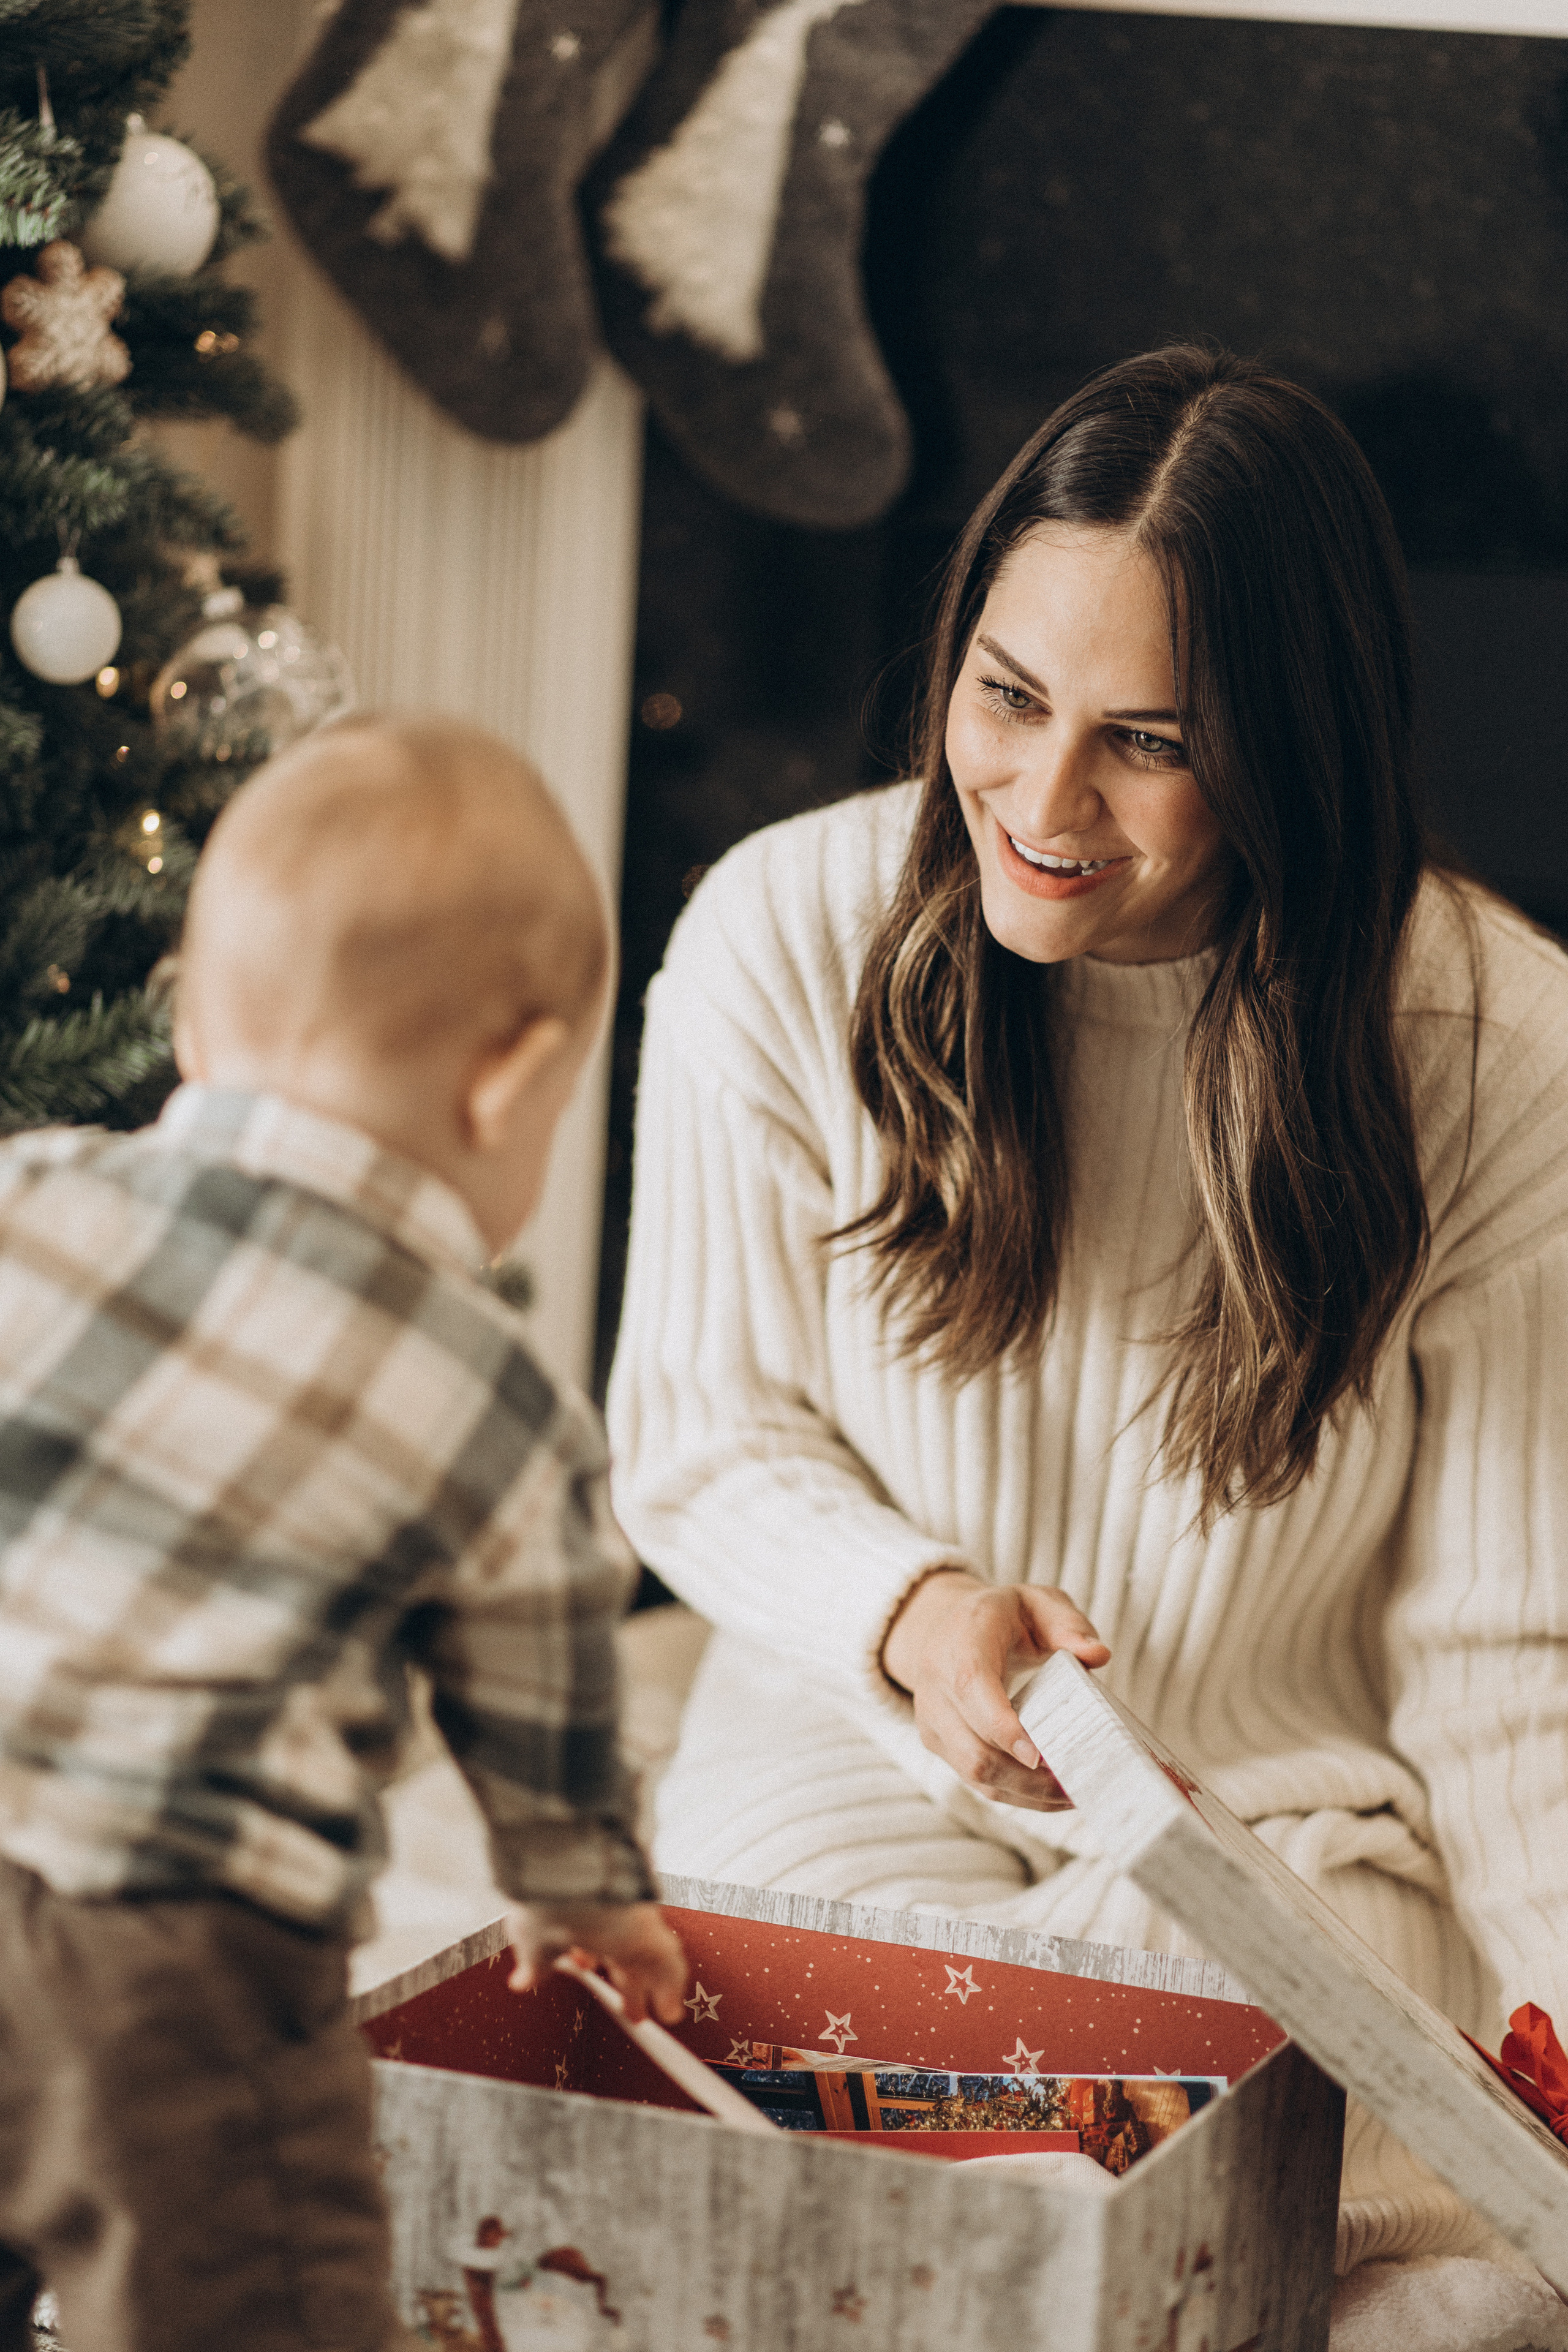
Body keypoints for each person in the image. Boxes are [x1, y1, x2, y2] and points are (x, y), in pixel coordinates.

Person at [606, 349, 1568, 2291]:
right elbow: (702, 1437)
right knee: (876, 2164)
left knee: (1221, 2189)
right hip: (851, 1750)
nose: (1043, 801)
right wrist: (916, 1610)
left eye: (1150, 739)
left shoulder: (1499, 1047)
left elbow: (1505, 1650)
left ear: (1288, 746)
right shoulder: (775, 937)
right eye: (1008, 696)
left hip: (1282, 1831)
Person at [0, 717, 687, 2352]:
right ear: (509, 1078)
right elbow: (547, 1709)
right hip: (170, 1952)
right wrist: (588, 1897)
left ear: (187, 1013)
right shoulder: (495, 1394)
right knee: (249, 2301)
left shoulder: (34, 1193)